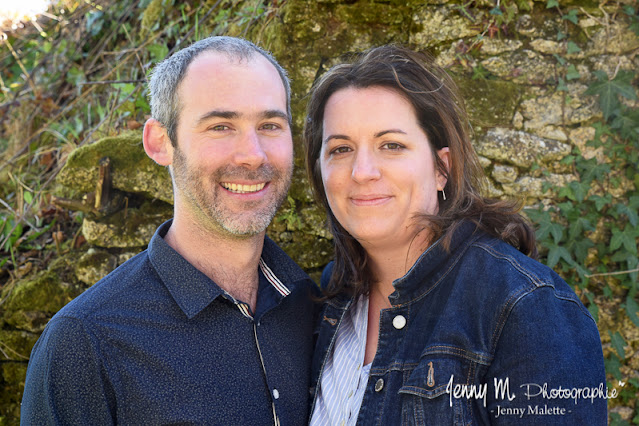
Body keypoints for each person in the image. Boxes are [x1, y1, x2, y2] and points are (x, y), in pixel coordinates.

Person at [303, 45, 608, 425]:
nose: (362, 171)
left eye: (392, 145)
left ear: (441, 168)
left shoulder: (527, 309)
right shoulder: (332, 296)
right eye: (341, 149)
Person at [21, 36, 316, 425]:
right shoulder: (85, 343)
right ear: (160, 142)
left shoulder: (313, 305)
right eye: (221, 126)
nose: (253, 154)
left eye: (270, 125)